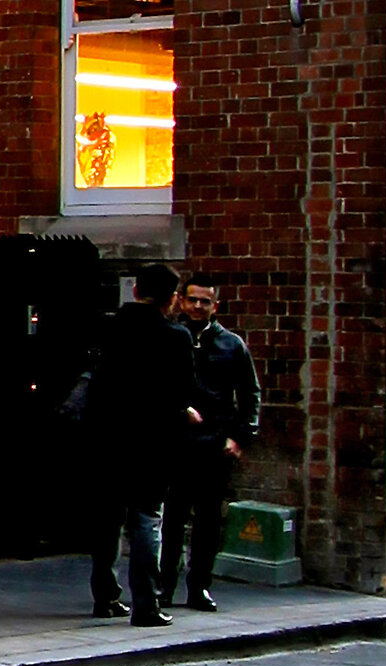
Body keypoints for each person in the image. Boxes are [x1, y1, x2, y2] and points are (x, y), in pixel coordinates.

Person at [83, 260, 201, 627]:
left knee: (107, 521)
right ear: (172, 300)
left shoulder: (108, 327)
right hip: (153, 443)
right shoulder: (176, 337)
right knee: (147, 520)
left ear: (135, 291)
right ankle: (146, 604)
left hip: (108, 439)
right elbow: (185, 391)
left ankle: (105, 596)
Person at [161, 275, 261, 614]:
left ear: (215, 305)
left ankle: (199, 586)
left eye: (205, 301)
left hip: (214, 444)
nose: (198, 307)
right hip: (177, 443)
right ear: (182, 301)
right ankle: (165, 584)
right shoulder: (173, 338)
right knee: (172, 518)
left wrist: (239, 438)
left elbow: (250, 394)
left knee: (207, 522)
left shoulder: (231, 345)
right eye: (193, 300)